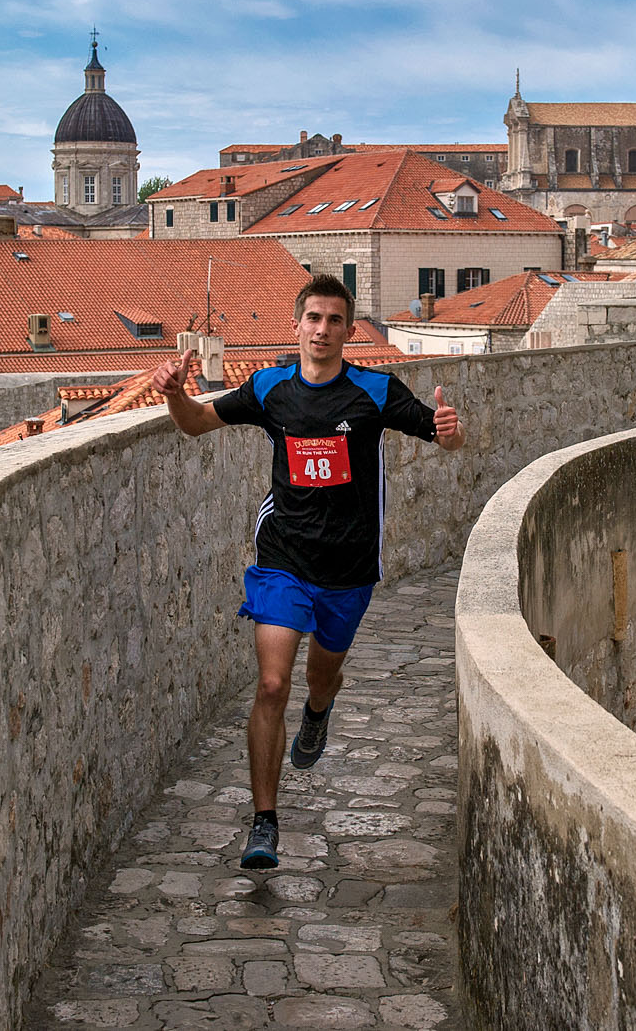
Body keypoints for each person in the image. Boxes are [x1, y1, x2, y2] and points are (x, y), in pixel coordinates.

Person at [152, 273, 463, 871]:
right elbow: (193, 423)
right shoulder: (269, 389)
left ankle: (318, 715)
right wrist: (173, 393)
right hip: (283, 559)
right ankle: (264, 822)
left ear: (348, 330)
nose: (322, 330)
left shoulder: (374, 391)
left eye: (334, 320)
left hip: (348, 567)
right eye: (313, 319)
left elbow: (442, 433)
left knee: (322, 678)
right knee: (272, 684)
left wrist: (450, 431)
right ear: (296, 325)